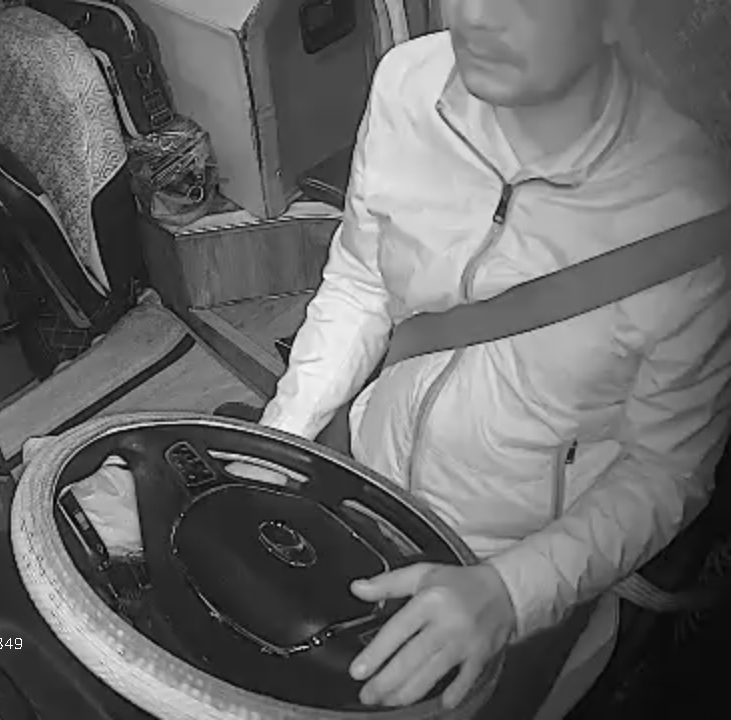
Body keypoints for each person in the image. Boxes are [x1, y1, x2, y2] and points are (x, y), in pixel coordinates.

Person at [259, 0, 731, 716]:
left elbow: (667, 470)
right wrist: (277, 442)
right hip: (363, 481)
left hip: (513, 559)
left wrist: (510, 594)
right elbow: (360, 283)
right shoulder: (406, 83)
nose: (475, 15)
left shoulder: (689, 210)